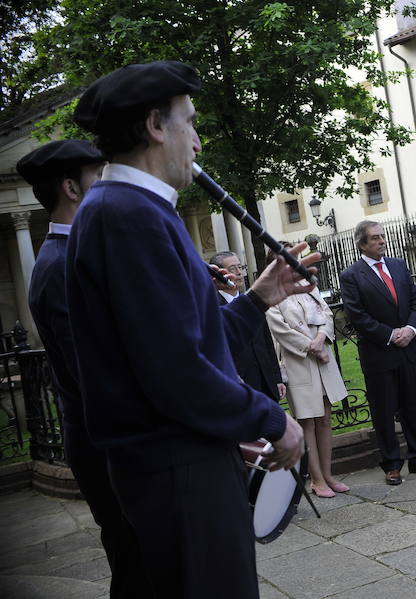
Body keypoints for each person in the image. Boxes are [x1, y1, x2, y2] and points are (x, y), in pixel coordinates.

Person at [66, 60, 317, 598]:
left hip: (180, 463)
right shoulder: (128, 215)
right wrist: (273, 420)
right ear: (157, 127)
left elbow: (188, 345)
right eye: (191, 123)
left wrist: (257, 299)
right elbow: (176, 374)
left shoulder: (132, 210)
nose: (199, 144)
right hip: (177, 469)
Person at [20, 140, 150, 598]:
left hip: (116, 440)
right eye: (99, 178)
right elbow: (93, 373)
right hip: (109, 447)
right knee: (137, 563)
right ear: (73, 188)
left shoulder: (79, 255)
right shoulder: (60, 266)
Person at [339, 220, 416, 485]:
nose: (382, 241)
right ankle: (391, 463)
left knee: (411, 404)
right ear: (362, 243)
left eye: (382, 237)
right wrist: (390, 334)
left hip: (407, 348)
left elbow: (415, 302)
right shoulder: (351, 275)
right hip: (379, 352)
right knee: (384, 410)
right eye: (375, 238)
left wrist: (410, 329)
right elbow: (357, 316)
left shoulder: (398, 265)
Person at [265, 242, 349, 497]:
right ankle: (316, 479)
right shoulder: (272, 291)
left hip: (322, 360)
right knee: (307, 422)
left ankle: (328, 474)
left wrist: (322, 337)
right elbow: (279, 329)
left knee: (324, 417)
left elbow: (326, 312)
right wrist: (310, 346)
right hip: (299, 362)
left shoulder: (306, 286)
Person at [210, 250, 286, 403]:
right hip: (239, 384)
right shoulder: (212, 308)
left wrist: (276, 378)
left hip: (266, 381)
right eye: (232, 269)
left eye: (240, 267)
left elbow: (267, 343)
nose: (239, 273)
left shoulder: (252, 301)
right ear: (218, 275)